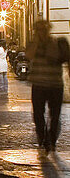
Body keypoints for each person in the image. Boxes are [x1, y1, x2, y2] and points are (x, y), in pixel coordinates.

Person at [25, 20, 70, 154]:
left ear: (48, 29)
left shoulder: (56, 43)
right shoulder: (33, 44)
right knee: (38, 114)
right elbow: (29, 55)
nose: (41, 32)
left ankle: (51, 140)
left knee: (55, 115)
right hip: (38, 85)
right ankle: (43, 138)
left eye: (43, 29)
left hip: (55, 85)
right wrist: (38, 42)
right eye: (38, 29)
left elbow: (56, 57)